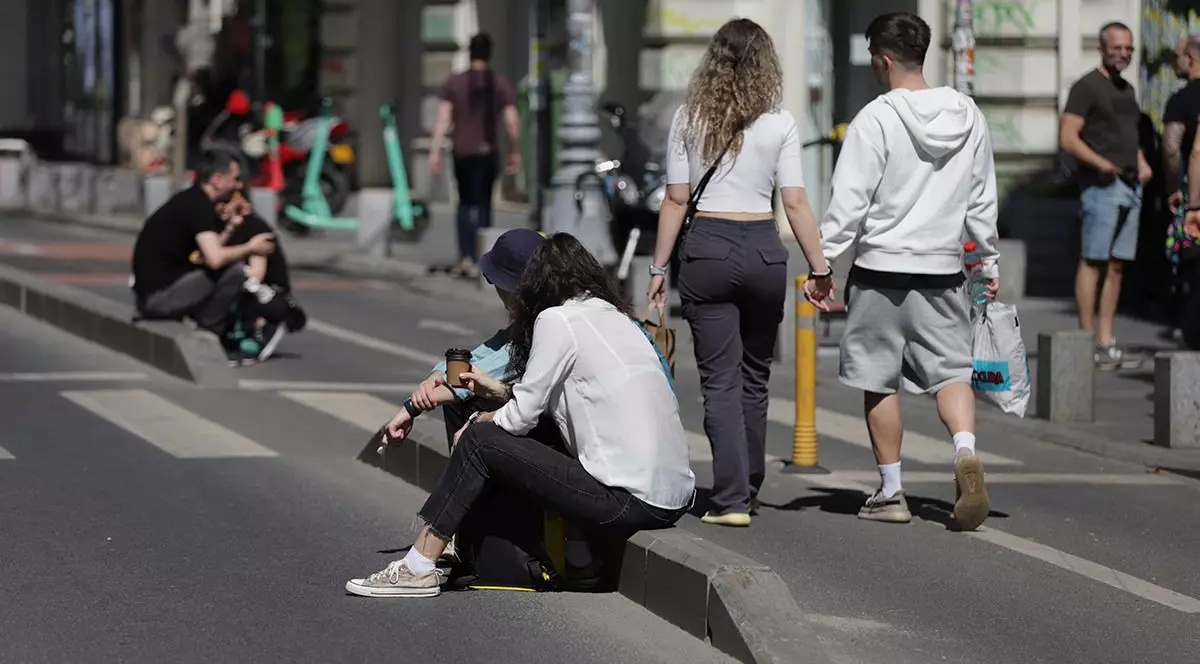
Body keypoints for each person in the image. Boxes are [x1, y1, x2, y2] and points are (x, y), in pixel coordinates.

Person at [347, 233, 695, 598]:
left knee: (481, 439)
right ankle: (578, 559)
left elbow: (519, 418)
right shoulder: (614, 316)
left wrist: (475, 423)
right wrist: (489, 394)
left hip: (628, 501)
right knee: (492, 427)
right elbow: (545, 405)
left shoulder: (556, 320)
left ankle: (419, 566)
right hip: (674, 498)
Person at [811, 12, 999, 531]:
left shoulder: (875, 118)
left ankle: (892, 492)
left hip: (880, 269)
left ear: (884, 59)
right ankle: (964, 452)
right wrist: (986, 260)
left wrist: (822, 264)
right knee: (952, 372)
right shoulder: (968, 115)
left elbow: (849, 201)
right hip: (943, 269)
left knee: (879, 379)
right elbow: (982, 198)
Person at [645, 18, 831, 527]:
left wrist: (658, 267)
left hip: (708, 249)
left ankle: (729, 500)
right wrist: (819, 268)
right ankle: (748, 484)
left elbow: (676, 199)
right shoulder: (780, 122)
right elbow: (795, 202)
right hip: (765, 251)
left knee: (720, 380)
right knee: (754, 375)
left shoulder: (689, 117)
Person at [380, 228, 546, 446]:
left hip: (568, 440)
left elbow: (499, 363)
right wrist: (437, 375)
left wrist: (413, 406)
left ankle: (463, 465)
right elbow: (489, 351)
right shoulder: (540, 311)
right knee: (461, 395)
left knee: (468, 405)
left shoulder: (548, 322)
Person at [1060, 22, 1153, 370]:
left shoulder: (1127, 89)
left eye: (1128, 48)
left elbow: (1128, 136)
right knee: (1093, 261)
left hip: (1131, 186)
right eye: (1117, 48)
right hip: (1101, 187)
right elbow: (1068, 137)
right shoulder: (1087, 87)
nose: (1123, 54)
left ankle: (1105, 340)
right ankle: (1085, 341)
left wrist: (1141, 162)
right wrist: (1101, 164)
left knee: (1116, 265)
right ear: (1101, 49)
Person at [130, 150, 276, 340]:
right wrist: (251, 248)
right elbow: (215, 259)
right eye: (235, 179)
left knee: (226, 265)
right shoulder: (199, 206)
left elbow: (207, 252)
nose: (239, 186)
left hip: (151, 296)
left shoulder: (191, 199)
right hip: (159, 299)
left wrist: (231, 227)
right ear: (216, 180)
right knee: (236, 270)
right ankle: (211, 327)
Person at [428, 33, 521, 279]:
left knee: (464, 203)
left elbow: (443, 117)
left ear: (469, 52)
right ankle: (485, 258)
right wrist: (515, 150)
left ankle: (465, 256)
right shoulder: (499, 82)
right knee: (484, 204)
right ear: (490, 53)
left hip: (462, 151)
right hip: (487, 152)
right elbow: (511, 120)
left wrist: (434, 149)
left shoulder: (455, 82)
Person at [217, 193, 308, 361]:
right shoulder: (221, 227)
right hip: (241, 287)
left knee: (246, 284)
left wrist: (228, 268)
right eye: (219, 203)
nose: (221, 207)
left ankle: (265, 327)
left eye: (226, 203)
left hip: (268, 292)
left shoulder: (256, 229)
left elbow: (256, 273)